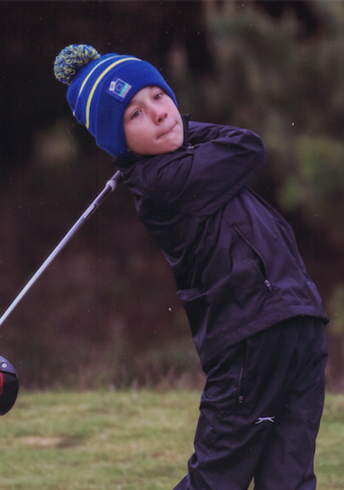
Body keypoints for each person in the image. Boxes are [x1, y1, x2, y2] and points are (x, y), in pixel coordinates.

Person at [54, 44, 329, 490]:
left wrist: (168, 133)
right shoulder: (164, 183)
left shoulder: (185, 163)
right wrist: (174, 136)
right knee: (217, 480)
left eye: (159, 97)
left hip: (298, 326)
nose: (159, 114)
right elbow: (247, 146)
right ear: (118, 142)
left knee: (290, 479)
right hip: (249, 343)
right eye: (134, 115)